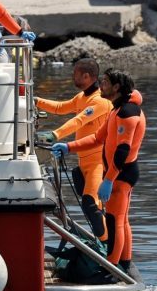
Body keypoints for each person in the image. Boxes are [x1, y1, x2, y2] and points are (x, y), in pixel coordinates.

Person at [52, 69, 144, 272]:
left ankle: (111, 267)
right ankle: (124, 262)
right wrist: (69, 147)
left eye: (105, 82)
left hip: (121, 174)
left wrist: (109, 180)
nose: (100, 85)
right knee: (121, 219)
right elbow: (96, 138)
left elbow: (123, 150)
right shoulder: (115, 110)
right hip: (115, 173)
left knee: (115, 221)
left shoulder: (128, 113)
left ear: (117, 87)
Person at [34, 58, 111, 239]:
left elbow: (78, 121)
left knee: (92, 204)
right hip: (83, 161)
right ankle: (104, 242)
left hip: (97, 162)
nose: (72, 76)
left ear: (86, 76)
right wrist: (36, 100)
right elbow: (61, 108)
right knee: (90, 207)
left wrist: (55, 135)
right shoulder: (82, 97)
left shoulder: (100, 101)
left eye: (75, 73)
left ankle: (108, 247)